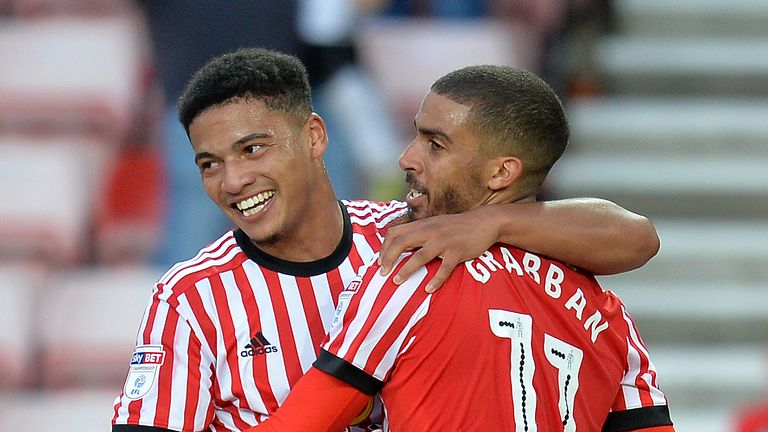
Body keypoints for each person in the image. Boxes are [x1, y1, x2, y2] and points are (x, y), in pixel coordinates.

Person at [111, 48, 659, 431]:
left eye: (253, 149)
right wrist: (490, 222)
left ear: (315, 136)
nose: (232, 182)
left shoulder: (413, 246)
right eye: (209, 164)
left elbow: (636, 236)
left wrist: (490, 223)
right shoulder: (190, 296)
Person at [247, 65, 674, 431]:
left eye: (435, 144)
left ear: (501, 173)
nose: (406, 158)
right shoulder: (609, 317)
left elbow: (304, 421)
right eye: (416, 136)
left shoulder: (418, 270)